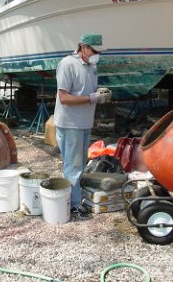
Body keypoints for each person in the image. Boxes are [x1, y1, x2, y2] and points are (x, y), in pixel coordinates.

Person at [54, 33, 112, 219]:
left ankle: (73, 199)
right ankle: (73, 205)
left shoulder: (92, 66)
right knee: (73, 165)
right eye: (94, 50)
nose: (97, 54)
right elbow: (64, 98)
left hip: (84, 122)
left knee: (78, 163)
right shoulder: (67, 64)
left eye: (99, 51)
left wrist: (99, 94)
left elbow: (87, 92)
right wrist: (92, 98)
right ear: (83, 47)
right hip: (71, 123)